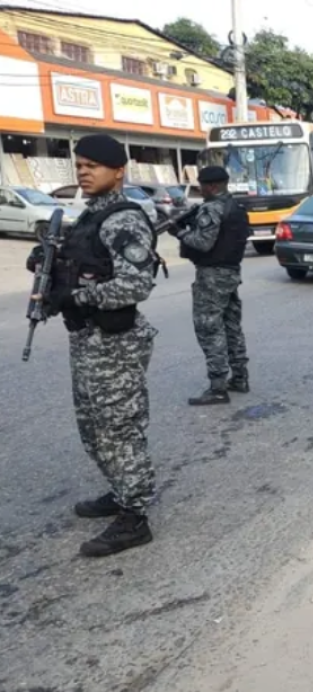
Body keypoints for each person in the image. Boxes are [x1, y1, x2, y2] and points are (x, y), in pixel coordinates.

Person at [25, 133, 162, 558]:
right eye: (79, 165)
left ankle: (135, 517)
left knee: (119, 429)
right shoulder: (90, 217)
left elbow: (136, 284)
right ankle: (120, 491)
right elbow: (81, 266)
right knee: (94, 428)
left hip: (115, 343)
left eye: (93, 166)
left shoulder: (123, 219)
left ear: (118, 171)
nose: (83, 172)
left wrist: (77, 297)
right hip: (88, 339)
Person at [167, 165, 251, 405]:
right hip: (231, 272)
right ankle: (239, 377)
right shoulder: (234, 206)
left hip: (212, 275)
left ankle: (217, 386)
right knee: (230, 325)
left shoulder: (212, 208)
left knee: (209, 327)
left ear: (212, 186)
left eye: (201, 185)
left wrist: (180, 233)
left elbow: (203, 243)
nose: (200, 190)